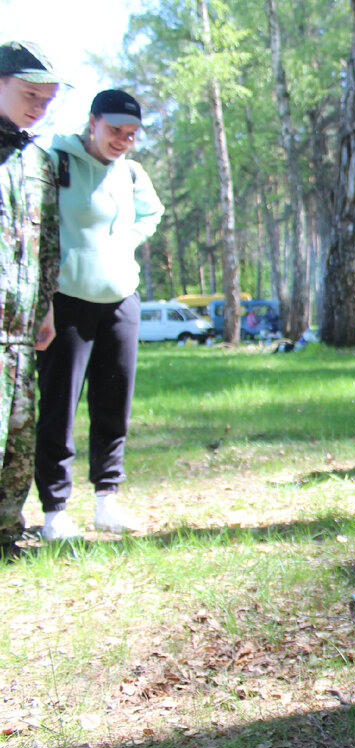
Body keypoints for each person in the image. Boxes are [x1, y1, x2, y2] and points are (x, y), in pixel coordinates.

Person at [35, 89, 165, 540]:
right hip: (67, 298)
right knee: (59, 405)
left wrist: (124, 241)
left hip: (120, 298)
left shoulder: (131, 172)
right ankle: (55, 511)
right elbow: (38, 224)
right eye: (114, 131)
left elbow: (152, 213)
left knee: (114, 402)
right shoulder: (56, 160)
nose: (122, 141)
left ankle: (106, 501)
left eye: (131, 135)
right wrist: (45, 297)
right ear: (92, 121)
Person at [0, 42, 62, 559]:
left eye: (47, 98)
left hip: (20, 328)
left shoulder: (37, 160)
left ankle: (6, 534)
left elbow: (48, 245)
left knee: (18, 440)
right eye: (29, 94)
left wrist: (45, 308)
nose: (38, 106)